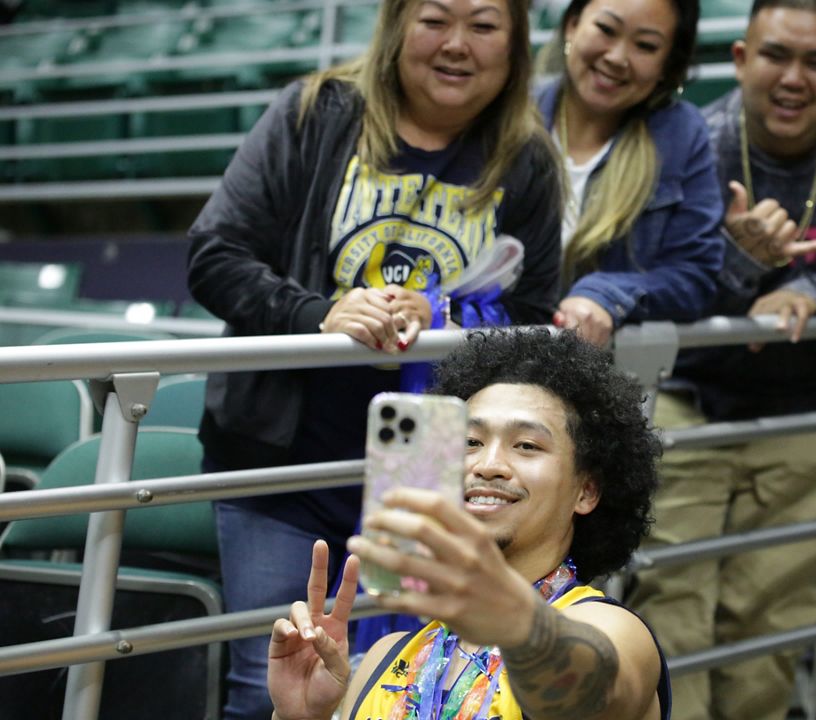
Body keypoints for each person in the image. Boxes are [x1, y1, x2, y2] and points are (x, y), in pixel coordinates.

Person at [185, 0, 562, 714]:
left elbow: (535, 316)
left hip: (429, 478)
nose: (456, 45)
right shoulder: (313, 114)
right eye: (435, 20)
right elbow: (214, 252)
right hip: (281, 470)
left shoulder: (527, 159)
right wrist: (318, 312)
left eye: (484, 26)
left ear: (514, 49)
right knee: (271, 689)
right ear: (396, 26)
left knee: (411, 691)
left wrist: (448, 313)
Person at [623, 1, 816, 718]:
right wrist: (742, 267)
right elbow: (655, 291)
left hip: (808, 413)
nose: (794, 78)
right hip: (689, 403)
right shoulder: (697, 141)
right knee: (672, 614)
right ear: (740, 60)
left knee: (774, 624)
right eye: (775, 56)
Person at [265, 328, 670, 720]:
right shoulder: (383, 658)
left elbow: (592, 698)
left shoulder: (611, 630)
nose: (487, 465)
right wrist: (299, 716)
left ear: (587, 491)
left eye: (527, 446)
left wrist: (516, 622)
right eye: (469, 442)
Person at [536, 0, 724, 346]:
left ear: (668, 65)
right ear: (572, 26)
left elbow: (694, 278)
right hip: (491, 358)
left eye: (645, 46)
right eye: (606, 30)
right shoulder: (515, 113)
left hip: (612, 378)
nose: (617, 57)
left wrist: (605, 296)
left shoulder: (681, 134)